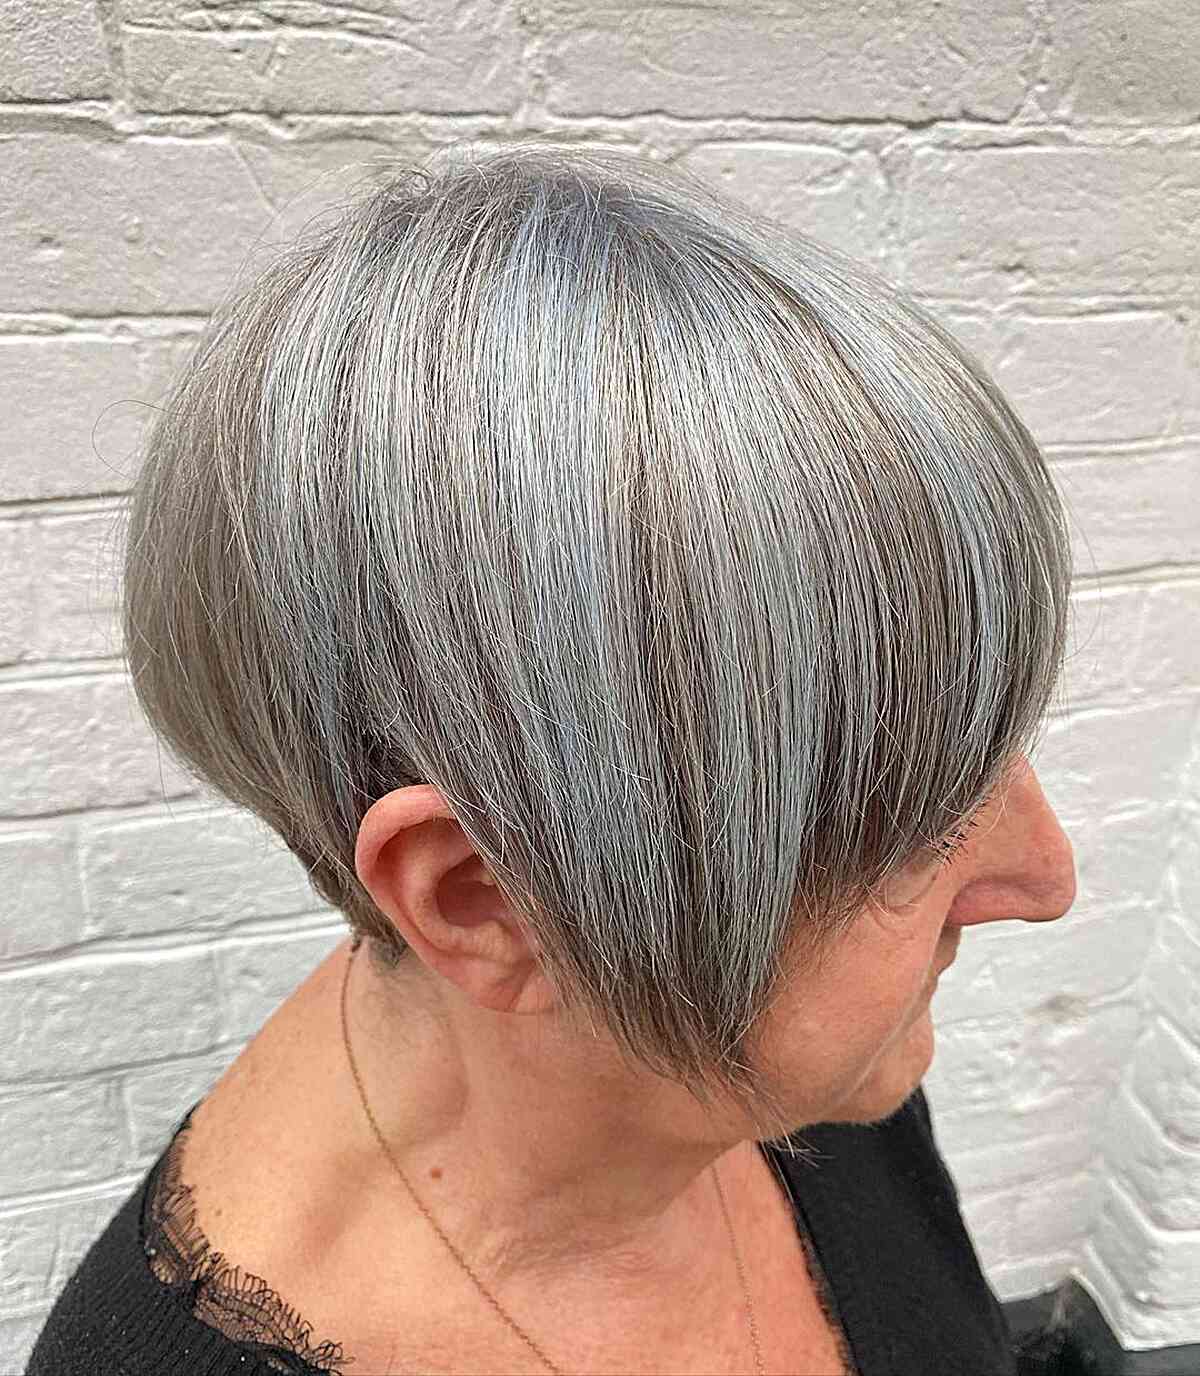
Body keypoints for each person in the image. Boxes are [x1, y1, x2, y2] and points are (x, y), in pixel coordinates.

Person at [27, 141, 1077, 1376]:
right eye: (918, 826)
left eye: (993, 746)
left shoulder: (802, 1058)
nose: (1045, 875)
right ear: (489, 898)